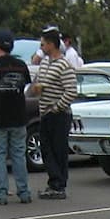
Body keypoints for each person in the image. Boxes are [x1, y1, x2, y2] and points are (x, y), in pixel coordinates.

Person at [0, 30, 33, 206]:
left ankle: (1, 192)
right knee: (18, 154)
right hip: (18, 116)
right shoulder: (21, 65)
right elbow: (26, 84)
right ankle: (24, 191)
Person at [32, 26, 75, 199]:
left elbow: (71, 91)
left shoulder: (64, 65)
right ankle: (53, 181)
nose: (42, 47)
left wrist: (57, 107)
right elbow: (39, 82)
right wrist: (37, 89)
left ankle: (59, 184)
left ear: (51, 44)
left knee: (58, 149)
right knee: (46, 149)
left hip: (59, 114)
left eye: (43, 44)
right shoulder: (44, 64)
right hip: (45, 112)